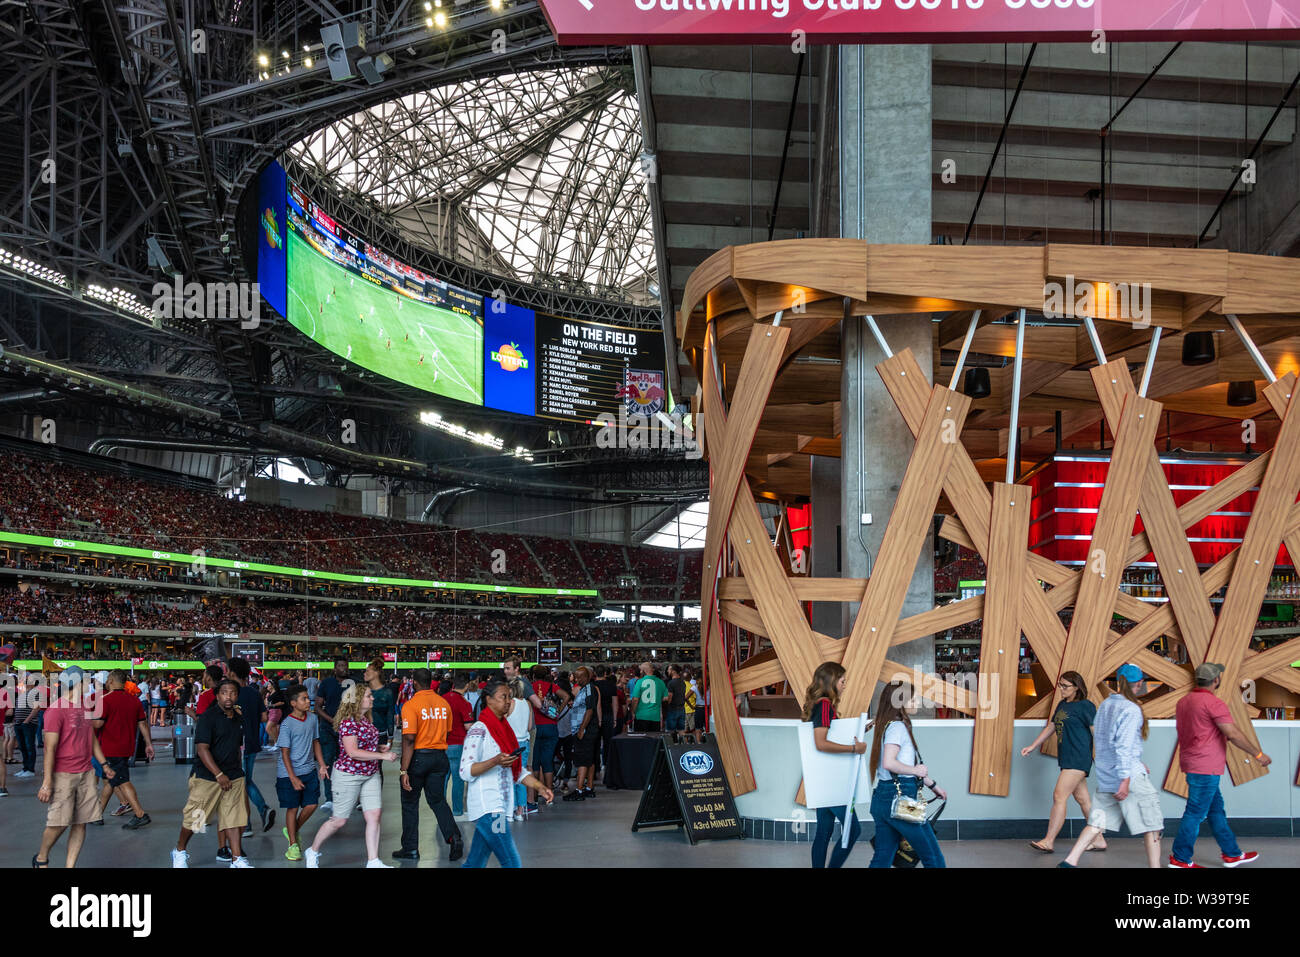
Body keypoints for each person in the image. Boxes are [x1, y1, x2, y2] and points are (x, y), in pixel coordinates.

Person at [1059, 665, 1164, 869]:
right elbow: (1123, 745)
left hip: (1108, 776)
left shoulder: (1107, 704)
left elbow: (1104, 740)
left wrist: (1130, 764)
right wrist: (1125, 778)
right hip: (1129, 777)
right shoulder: (1131, 709)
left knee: (1096, 822)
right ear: (1139, 683)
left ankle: (1069, 861)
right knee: (1152, 825)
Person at [1168, 662, 1269, 868]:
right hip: (1206, 766)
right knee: (1195, 813)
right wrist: (1257, 754)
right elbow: (1232, 734)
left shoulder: (1183, 701)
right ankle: (1179, 859)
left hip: (1192, 762)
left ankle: (1232, 854)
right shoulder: (1214, 703)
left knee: (1215, 811)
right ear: (1216, 680)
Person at [459, 678, 554, 868]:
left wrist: (540, 787)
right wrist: (495, 761)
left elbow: (516, 770)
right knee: (511, 861)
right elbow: (465, 771)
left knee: (475, 862)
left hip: (501, 805)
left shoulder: (505, 730)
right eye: (503, 697)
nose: (508, 701)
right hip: (489, 808)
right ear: (489, 700)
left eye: (510, 697)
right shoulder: (479, 730)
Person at [306, 684, 397, 868]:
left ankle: (373, 861)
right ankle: (313, 850)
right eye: (369, 696)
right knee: (339, 820)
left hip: (370, 774)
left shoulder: (366, 720)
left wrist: (378, 748)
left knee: (374, 815)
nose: (372, 698)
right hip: (348, 775)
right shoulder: (348, 722)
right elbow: (353, 752)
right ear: (357, 700)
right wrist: (382, 756)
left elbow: (364, 747)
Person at [34, 668, 115, 868]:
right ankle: (41, 857)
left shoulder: (84, 707)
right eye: (87, 681)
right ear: (77, 683)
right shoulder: (56, 710)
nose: (89, 685)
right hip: (63, 774)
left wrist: (104, 764)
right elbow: (49, 748)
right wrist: (47, 783)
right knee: (59, 822)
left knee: (81, 822)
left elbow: (91, 739)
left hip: (86, 773)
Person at [1020, 670, 1106, 854]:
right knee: (1083, 800)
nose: (1061, 689)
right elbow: (1052, 727)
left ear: (1076, 687)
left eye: (1065, 686)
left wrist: (1102, 758)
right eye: (1060, 685)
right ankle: (1098, 839)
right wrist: (1033, 745)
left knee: (1059, 796)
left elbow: (1096, 734)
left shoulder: (1086, 706)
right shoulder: (1062, 705)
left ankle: (1049, 841)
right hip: (1067, 758)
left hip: (1079, 758)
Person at [172, 679, 252, 868]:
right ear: (217, 696)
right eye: (224, 693)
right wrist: (218, 774)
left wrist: (234, 771)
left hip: (234, 775)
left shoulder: (238, 717)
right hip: (208, 777)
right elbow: (202, 749)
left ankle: (236, 858)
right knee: (196, 821)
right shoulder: (208, 718)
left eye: (232, 693)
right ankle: (180, 850)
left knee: (233, 819)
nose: (228, 697)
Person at [868, 680, 947, 868]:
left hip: (884, 798)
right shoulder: (897, 727)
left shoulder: (888, 725)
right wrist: (916, 770)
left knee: (883, 858)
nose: (917, 702)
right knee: (932, 856)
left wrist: (931, 784)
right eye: (912, 699)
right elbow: (889, 763)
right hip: (901, 800)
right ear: (900, 702)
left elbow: (900, 765)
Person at [804, 662, 869, 868]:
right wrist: (854, 749)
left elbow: (829, 737)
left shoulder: (819, 704)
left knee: (824, 833)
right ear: (832, 681)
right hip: (833, 783)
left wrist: (860, 730)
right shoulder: (824, 705)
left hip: (824, 779)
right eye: (842, 681)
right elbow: (821, 743)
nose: (845, 685)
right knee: (853, 830)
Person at [393, 669, 463, 862]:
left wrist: (403, 770)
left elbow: (408, 740)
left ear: (414, 683)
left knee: (410, 803)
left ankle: (410, 849)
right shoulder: (443, 704)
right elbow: (447, 732)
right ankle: (454, 836)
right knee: (438, 800)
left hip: (418, 758)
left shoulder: (411, 705)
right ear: (430, 682)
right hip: (440, 757)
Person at [92, 670, 154, 830]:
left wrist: (84, 722)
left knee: (121, 780)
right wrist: (148, 744)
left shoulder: (105, 700)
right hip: (127, 747)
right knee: (111, 781)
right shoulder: (134, 701)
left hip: (110, 747)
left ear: (111, 680)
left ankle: (140, 814)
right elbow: (142, 723)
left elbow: (98, 724)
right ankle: (97, 815)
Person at [275, 684, 328, 861]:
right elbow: (284, 752)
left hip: (309, 769)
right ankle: (292, 845)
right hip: (289, 773)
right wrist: (292, 777)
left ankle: (292, 830)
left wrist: (322, 764)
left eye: (308, 698)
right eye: (303, 699)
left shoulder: (312, 719)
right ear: (293, 703)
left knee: (312, 804)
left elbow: (316, 742)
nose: (308, 701)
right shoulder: (287, 724)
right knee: (292, 808)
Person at [229, 657, 274, 835]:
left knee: (241, 782)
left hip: (238, 744)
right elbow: (264, 718)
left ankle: (259, 811)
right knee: (244, 781)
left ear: (232, 673)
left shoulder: (231, 693)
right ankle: (247, 822)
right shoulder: (254, 693)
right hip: (252, 743)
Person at [527, 664, 568, 813]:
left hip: (535, 727)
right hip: (551, 726)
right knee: (548, 760)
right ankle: (549, 794)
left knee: (535, 762)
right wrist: (557, 711)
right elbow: (567, 696)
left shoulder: (529, 687)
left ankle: (537, 795)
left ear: (532, 675)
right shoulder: (552, 686)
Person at [314, 658, 349, 810]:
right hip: (327, 728)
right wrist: (332, 720)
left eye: (345, 666)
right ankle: (329, 798)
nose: (343, 668)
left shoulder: (352, 684)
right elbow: (317, 707)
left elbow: (354, 706)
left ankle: (344, 795)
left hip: (346, 729)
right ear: (335, 669)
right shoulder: (326, 683)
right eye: (340, 666)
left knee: (345, 763)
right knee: (327, 761)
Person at [564, 667, 601, 802]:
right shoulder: (584, 689)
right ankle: (589, 788)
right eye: (575, 677)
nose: (577, 679)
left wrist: (581, 729)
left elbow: (590, 710)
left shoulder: (590, 689)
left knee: (582, 761)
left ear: (587, 677)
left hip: (585, 730)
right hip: (586, 730)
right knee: (589, 759)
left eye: (580, 677)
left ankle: (579, 790)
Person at [443, 673, 474, 819]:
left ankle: (440, 808)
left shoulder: (442, 699)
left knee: (443, 778)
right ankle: (457, 810)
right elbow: (468, 726)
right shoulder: (464, 703)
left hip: (442, 744)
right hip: (458, 744)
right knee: (458, 779)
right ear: (467, 685)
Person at [505, 677, 534, 820]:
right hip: (525, 742)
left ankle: (511, 810)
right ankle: (521, 811)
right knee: (520, 776)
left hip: (511, 743)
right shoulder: (528, 704)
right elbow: (529, 727)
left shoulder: (510, 704)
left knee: (509, 777)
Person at [364, 659, 395, 749]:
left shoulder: (387, 693)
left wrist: (390, 738)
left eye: (367, 671)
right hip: (363, 734)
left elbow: (390, 716)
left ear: (376, 673)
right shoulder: (362, 691)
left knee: (377, 762)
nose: (364, 673)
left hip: (381, 734)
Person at [629, 662, 667, 732]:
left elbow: (635, 699)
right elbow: (666, 698)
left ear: (644, 671)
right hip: (655, 716)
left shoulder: (639, 682)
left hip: (641, 716)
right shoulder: (661, 682)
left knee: (641, 740)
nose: (640, 672)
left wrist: (633, 712)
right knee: (654, 740)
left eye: (641, 670)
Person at [663, 664, 687, 734]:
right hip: (682, 709)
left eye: (669, 669)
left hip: (672, 709)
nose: (667, 671)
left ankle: (670, 745)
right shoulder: (683, 682)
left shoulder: (671, 683)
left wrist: (663, 699)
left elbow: (669, 698)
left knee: (670, 732)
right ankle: (683, 744)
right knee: (681, 731)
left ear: (673, 671)